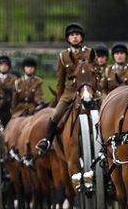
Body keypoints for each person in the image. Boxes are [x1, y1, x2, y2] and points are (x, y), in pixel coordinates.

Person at [36, 23, 93, 153]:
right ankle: (47, 141)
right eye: (72, 35)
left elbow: (95, 73)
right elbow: (60, 80)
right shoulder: (63, 56)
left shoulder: (89, 53)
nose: (75, 38)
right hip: (70, 91)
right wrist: (59, 97)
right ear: (68, 39)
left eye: (77, 35)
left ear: (81, 37)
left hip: (88, 89)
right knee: (56, 115)